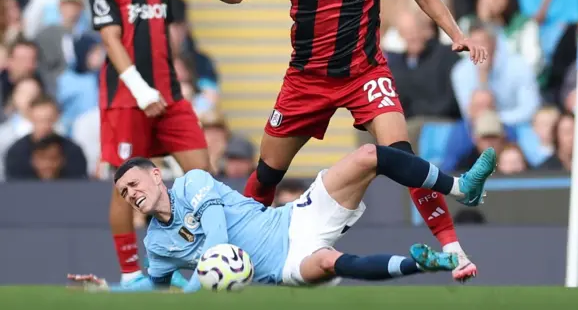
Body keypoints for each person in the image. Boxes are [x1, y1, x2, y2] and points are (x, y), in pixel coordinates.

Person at [202, 0, 486, 281]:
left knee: (402, 157)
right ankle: (239, 256)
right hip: (306, 79)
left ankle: (455, 251)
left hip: (363, 73)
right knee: (267, 173)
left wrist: (456, 34)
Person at [68, 145, 497, 291]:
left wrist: (197, 285)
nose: (132, 194)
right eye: (125, 193)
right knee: (328, 262)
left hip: (294, 221)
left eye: (136, 184)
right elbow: (156, 288)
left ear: (157, 176)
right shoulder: (157, 245)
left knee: (368, 156)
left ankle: (462, 187)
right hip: (282, 268)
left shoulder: (192, 183)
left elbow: (218, 242)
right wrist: (112, 294)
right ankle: (419, 263)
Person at [90, 0, 209, 288]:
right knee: (126, 187)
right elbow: (110, 39)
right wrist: (142, 91)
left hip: (170, 97)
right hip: (128, 99)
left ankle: (182, 260)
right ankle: (129, 276)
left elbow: (163, 35)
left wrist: (176, 82)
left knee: (202, 178)